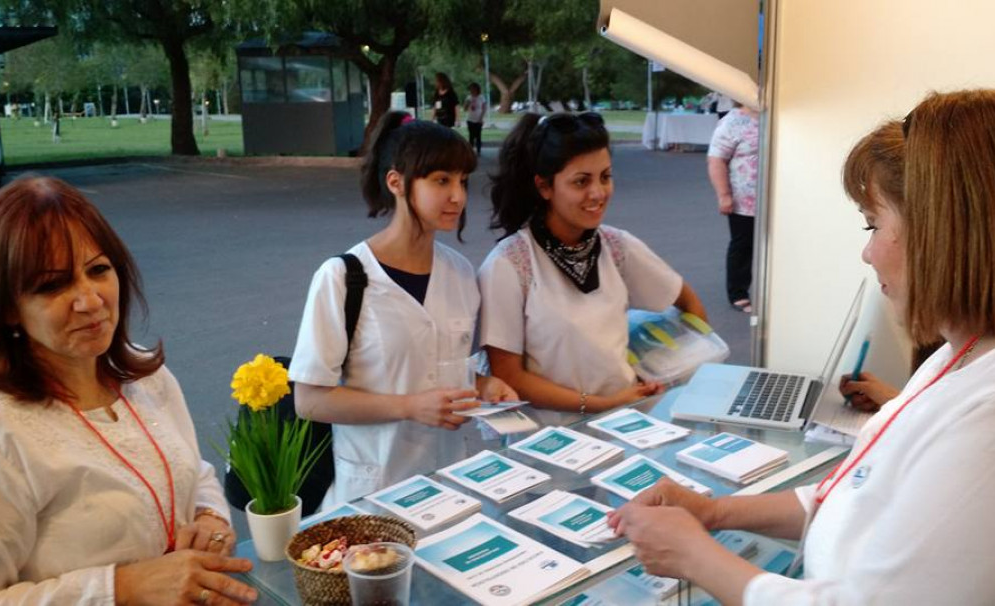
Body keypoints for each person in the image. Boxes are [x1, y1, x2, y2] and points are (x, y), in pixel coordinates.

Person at [608, 89, 995, 604]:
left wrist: (694, 555)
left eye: (874, 225)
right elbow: (853, 495)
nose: (867, 251)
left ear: (944, 233)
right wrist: (713, 513)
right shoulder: (965, 353)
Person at [0, 177, 258, 605]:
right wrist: (120, 588)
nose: (90, 300)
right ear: (7, 307)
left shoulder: (145, 377)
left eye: (98, 270)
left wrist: (210, 519)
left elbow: (193, 472)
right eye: (52, 285)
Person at [289, 111, 517, 510]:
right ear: (396, 182)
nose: (458, 196)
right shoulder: (343, 277)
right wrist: (409, 406)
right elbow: (309, 400)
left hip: (450, 486)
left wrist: (483, 386)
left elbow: (443, 365)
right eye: (441, 180)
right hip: (373, 492)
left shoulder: (461, 273)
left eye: (462, 181)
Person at [480, 112, 708, 428]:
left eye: (605, 176)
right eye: (581, 181)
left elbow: (688, 302)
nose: (598, 193)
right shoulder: (510, 264)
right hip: (549, 441)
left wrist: (672, 371)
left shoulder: (617, 247)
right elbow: (509, 376)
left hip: (629, 426)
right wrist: (601, 404)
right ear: (544, 186)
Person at [707, 104, 759, 313]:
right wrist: (724, 195)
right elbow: (716, 160)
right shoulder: (732, 122)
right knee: (743, 245)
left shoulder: (778, 117)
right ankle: (738, 293)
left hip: (780, 200)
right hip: (745, 201)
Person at [463, 82, 486, 155]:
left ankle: (478, 150)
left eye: (473, 89)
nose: (472, 91)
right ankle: (471, 150)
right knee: (471, 136)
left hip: (478, 119)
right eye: (470, 89)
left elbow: (484, 108)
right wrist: (467, 103)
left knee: (478, 136)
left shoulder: (481, 97)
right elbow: (465, 109)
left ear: (477, 89)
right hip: (470, 119)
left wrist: (481, 118)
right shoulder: (468, 97)